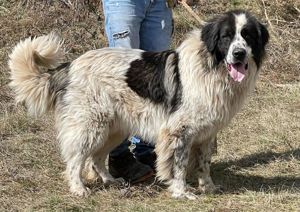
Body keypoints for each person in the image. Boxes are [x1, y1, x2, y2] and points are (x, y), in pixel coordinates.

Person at [102, 0, 195, 183]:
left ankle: (148, 150)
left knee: (157, 76)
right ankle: (119, 157)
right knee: (122, 76)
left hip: (159, 4)